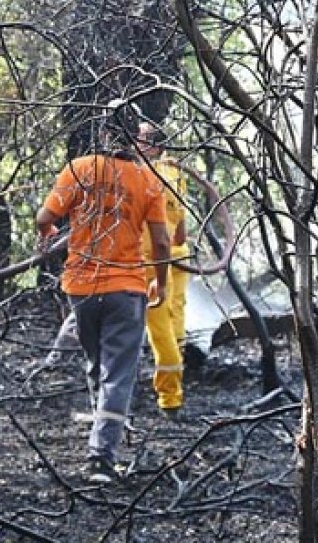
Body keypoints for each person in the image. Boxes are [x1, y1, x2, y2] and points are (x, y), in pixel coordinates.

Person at [36, 116, 171, 484]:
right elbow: (161, 242)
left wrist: (48, 231)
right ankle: (101, 456)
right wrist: (161, 284)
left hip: (81, 288)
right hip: (126, 288)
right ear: (133, 139)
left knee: (98, 365)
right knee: (117, 374)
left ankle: (104, 433)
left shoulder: (79, 169)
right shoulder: (148, 181)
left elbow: (45, 217)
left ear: (103, 133)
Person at [136, 122, 190, 417]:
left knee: (160, 329)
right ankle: (179, 376)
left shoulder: (144, 176)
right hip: (178, 254)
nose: (135, 142)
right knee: (175, 320)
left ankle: (170, 397)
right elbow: (180, 231)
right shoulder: (173, 172)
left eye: (141, 138)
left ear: (154, 146)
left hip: (154, 259)